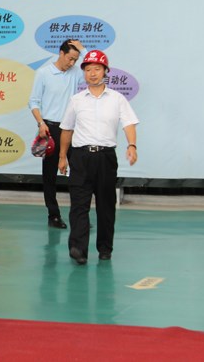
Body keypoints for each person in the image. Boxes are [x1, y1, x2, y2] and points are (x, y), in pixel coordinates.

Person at [57, 49, 138, 265]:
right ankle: (78, 248)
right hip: (81, 157)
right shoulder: (76, 100)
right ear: (84, 73)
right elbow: (67, 129)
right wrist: (63, 156)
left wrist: (132, 145)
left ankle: (104, 248)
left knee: (106, 205)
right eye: (88, 69)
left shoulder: (117, 99)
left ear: (105, 71)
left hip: (105, 158)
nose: (92, 73)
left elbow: (129, 123)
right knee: (79, 204)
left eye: (97, 69)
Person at [28, 39, 86, 229]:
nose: (72, 63)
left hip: (72, 129)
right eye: (70, 58)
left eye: (75, 60)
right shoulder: (44, 73)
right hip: (50, 128)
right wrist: (41, 123)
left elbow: (94, 70)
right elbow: (34, 101)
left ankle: (79, 215)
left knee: (79, 173)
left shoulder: (76, 72)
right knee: (49, 175)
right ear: (61, 53)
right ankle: (53, 215)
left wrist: (83, 50)